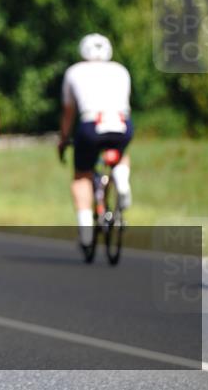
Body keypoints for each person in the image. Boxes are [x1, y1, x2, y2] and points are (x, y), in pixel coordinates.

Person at [59, 33, 133, 252]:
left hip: (91, 124)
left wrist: (64, 138)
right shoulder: (121, 70)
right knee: (120, 154)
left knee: (82, 175)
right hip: (120, 123)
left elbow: (69, 110)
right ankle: (121, 179)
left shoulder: (74, 71)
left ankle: (85, 227)